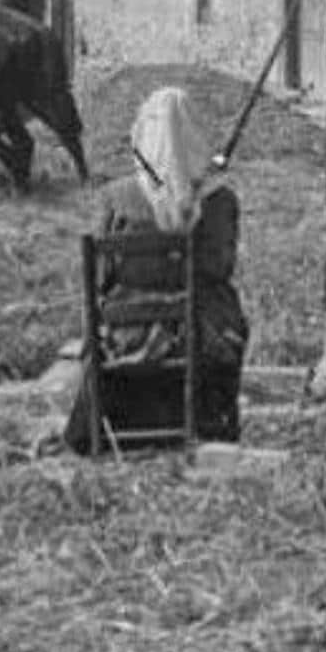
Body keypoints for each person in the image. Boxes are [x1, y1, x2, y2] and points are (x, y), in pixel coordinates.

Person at [64, 87, 249, 452]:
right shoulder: (220, 201)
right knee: (228, 310)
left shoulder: (115, 197)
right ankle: (210, 418)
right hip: (201, 340)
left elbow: (102, 278)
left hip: (127, 341)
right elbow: (221, 269)